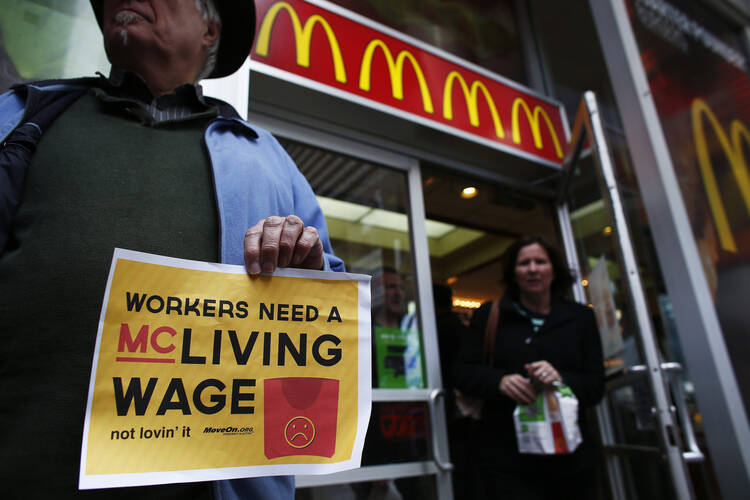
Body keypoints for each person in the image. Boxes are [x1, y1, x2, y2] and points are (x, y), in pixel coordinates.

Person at [0, 1, 344, 498]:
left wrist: (308, 273)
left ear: (210, 27)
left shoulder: (267, 158)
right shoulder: (21, 117)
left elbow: (330, 332)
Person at [453, 235, 604, 500]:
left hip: (569, 458)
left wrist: (561, 380)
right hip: (506, 459)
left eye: (540, 262)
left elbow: (596, 386)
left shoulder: (581, 318)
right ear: (513, 273)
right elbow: (461, 372)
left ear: (553, 270)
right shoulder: (489, 315)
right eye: (524, 263)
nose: (533, 269)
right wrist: (498, 381)